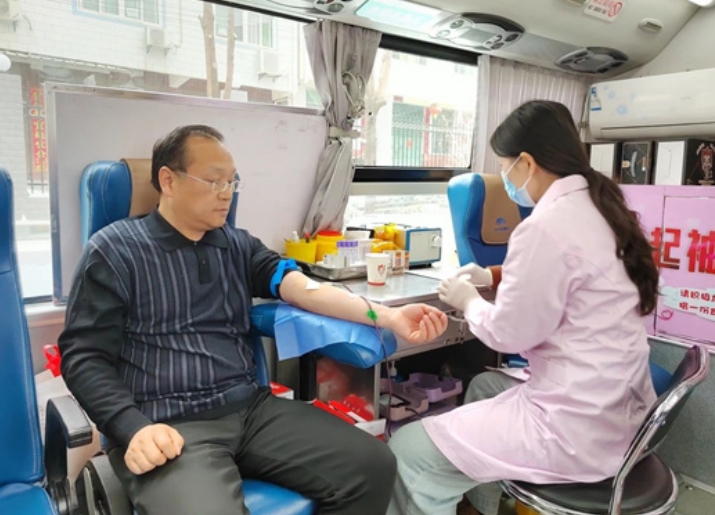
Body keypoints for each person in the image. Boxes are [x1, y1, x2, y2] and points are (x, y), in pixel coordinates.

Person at [59, 125, 448, 515]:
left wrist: (389, 315)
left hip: (251, 411)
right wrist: (132, 427)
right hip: (167, 424)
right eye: (214, 181)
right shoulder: (114, 252)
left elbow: (305, 290)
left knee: (372, 466)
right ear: (168, 181)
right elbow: (84, 357)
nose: (226, 193)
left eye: (232, 182)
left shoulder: (237, 245)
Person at [386, 100, 660, 515]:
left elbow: (508, 334)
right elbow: (574, 273)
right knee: (483, 386)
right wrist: (492, 276)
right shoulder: (603, 208)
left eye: (505, 166)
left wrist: (468, 301)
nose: (506, 179)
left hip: (574, 427)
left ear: (527, 163)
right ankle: (483, 508)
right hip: (619, 408)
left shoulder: (545, 226)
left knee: (410, 451)